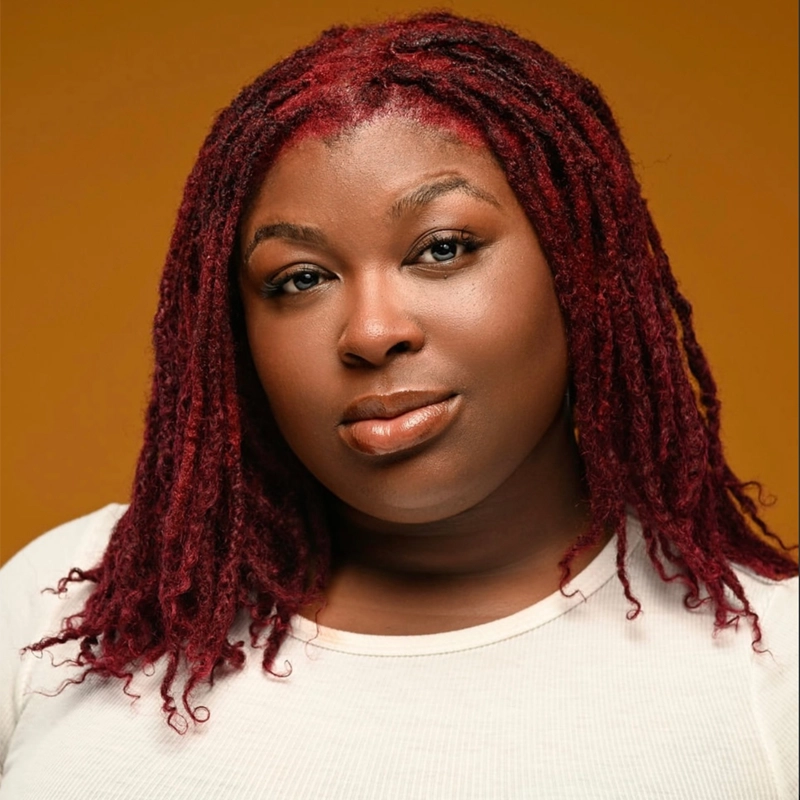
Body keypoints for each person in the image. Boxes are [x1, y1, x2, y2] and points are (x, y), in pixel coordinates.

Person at [0, 11, 796, 799]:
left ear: (580, 266)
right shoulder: (63, 610)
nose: (372, 333)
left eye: (443, 248)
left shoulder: (773, 676)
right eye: (301, 278)